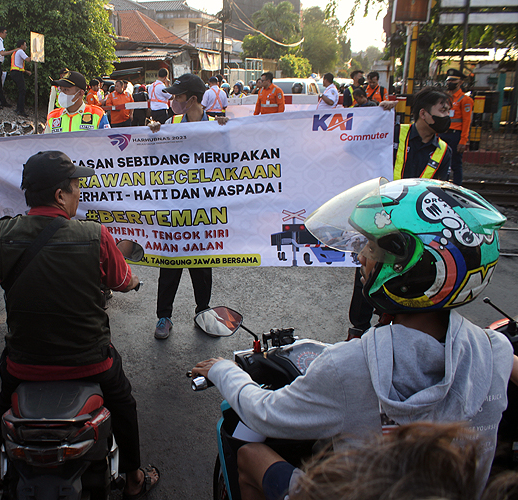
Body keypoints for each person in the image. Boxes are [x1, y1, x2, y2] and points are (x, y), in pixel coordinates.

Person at [192, 177, 511, 500]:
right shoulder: (494, 351)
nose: (361, 257)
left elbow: (264, 413)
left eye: (372, 247)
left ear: (410, 268)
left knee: (248, 457)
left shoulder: (349, 368)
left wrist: (221, 369)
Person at [0, 151, 158, 499]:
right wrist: (133, 280)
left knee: (2, 404)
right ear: (59, 194)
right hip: (90, 359)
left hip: (24, 360)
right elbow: (123, 280)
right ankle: (135, 478)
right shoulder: (96, 235)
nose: (79, 191)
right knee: (123, 404)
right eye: (75, 185)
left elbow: (4, 276)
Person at [346, 87, 452, 338]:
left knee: (405, 278)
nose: (449, 115)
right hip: (380, 220)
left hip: (415, 228)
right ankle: (358, 330)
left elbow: (440, 190)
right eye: (443, 110)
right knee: (368, 272)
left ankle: (391, 329)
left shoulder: (444, 151)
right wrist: (375, 116)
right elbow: (353, 147)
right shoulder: (393, 132)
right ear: (424, 114)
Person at [148, 73, 228, 340]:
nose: (173, 100)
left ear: (192, 99)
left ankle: (203, 312)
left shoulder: (217, 125)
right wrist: (153, 138)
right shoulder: (172, 123)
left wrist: (226, 133)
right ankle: (164, 316)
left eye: (177, 96)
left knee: (202, 265)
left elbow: (231, 163)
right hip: (175, 208)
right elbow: (153, 162)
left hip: (204, 210)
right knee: (169, 263)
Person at [290, 422, 482, 500]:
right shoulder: (495, 348)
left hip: (362, 485)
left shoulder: (346, 363)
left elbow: (269, 413)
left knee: (258, 453)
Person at [44, 71, 110, 133]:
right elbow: (45, 142)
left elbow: (108, 142)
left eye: (66, 90)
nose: (62, 93)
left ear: (80, 93)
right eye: (60, 90)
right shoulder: (53, 116)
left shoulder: (97, 114)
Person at [439, 68, 473, 185]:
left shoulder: (465, 100)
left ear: (460, 82)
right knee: (440, 162)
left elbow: (467, 121)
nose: (449, 83)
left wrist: (463, 140)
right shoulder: (445, 98)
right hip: (443, 133)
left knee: (455, 164)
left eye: (453, 80)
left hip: (455, 135)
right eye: (448, 80)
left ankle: (457, 187)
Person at [9, 40, 32, 118]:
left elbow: (17, 64)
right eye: (25, 45)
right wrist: (35, 56)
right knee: (23, 91)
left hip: (14, 72)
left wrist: (26, 71)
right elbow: (28, 60)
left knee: (20, 91)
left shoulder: (15, 52)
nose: (26, 47)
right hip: (17, 73)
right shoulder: (20, 51)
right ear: (21, 46)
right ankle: (21, 110)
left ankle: (18, 109)